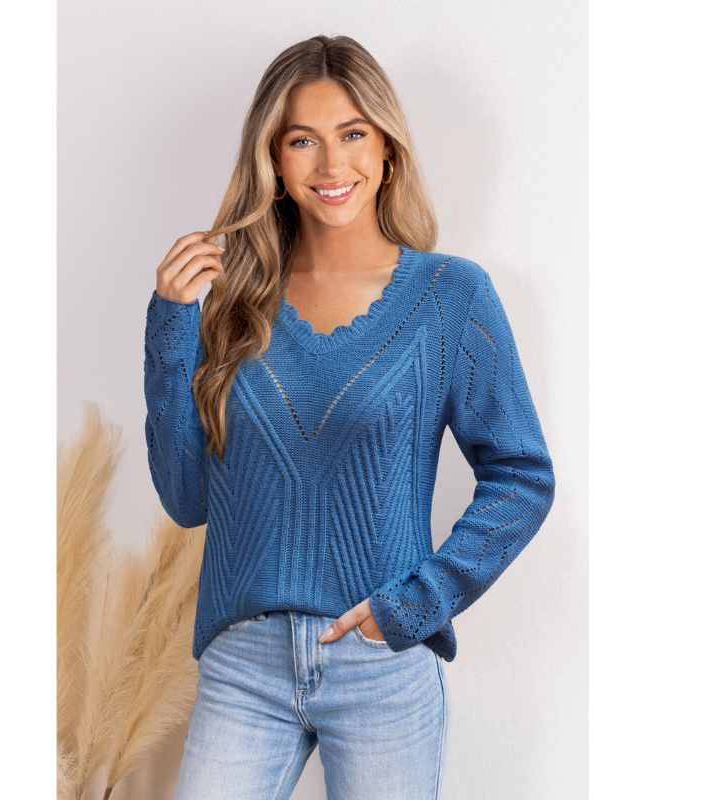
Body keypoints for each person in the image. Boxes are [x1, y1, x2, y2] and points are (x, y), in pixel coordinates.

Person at [143, 34, 555, 800]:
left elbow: (522, 477)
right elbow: (187, 497)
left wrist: (415, 605)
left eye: (353, 133)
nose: (332, 165)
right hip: (243, 665)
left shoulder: (450, 296)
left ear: (388, 148)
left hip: (381, 664)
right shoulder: (230, 303)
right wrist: (171, 325)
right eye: (303, 140)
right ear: (273, 159)